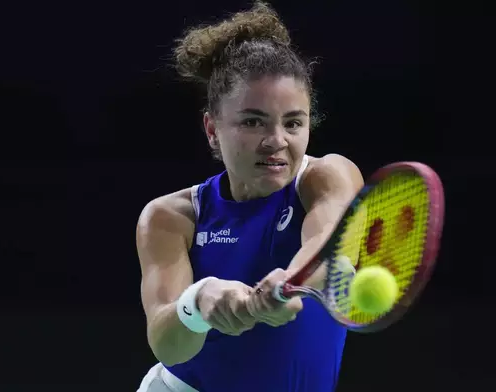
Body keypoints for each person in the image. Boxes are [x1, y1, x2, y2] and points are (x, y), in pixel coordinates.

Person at [136, 2, 364, 391]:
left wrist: (290, 283)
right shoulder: (171, 217)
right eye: (252, 121)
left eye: (293, 122)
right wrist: (199, 302)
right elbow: (167, 345)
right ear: (212, 128)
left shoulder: (328, 177)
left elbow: (328, 245)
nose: (276, 141)